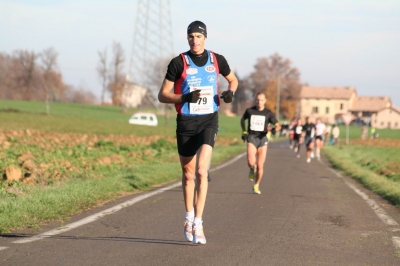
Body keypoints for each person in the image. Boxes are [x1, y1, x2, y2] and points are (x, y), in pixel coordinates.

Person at [158, 20, 238, 244]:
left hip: (208, 120)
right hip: (185, 122)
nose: (195, 40)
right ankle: (188, 217)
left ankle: (199, 223)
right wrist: (184, 97)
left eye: (199, 36)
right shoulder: (178, 63)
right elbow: (162, 95)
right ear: (187, 38)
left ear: (205, 38)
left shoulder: (217, 60)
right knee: (188, 174)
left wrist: (231, 93)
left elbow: (233, 80)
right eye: (191, 36)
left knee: (202, 171)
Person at [240, 92, 281, 195]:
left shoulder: (268, 113)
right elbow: (242, 120)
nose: (259, 102)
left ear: (265, 101)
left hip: (262, 139)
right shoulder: (250, 111)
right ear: (256, 100)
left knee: (260, 165)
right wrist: (244, 132)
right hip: (252, 137)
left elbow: (277, 125)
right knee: (251, 162)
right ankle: (251, 169)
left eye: (261, 100)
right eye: (258, 100)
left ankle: (256, 185)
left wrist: (274, 129)